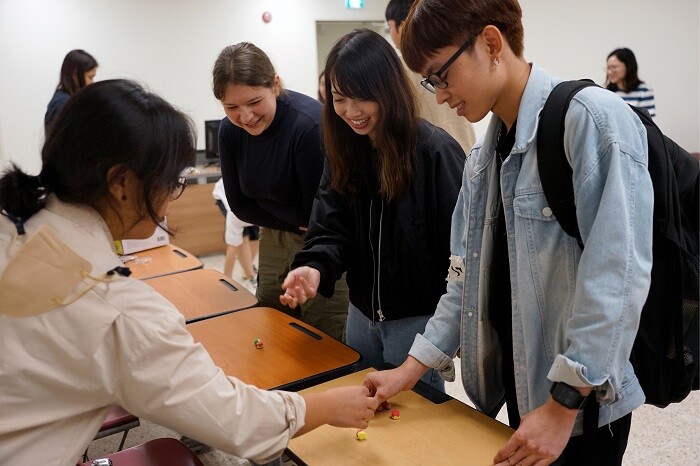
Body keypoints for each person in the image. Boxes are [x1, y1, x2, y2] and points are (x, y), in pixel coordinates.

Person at [0, 79, 378, 466]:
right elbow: (237, 420)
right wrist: (328, 404)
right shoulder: (114, 308)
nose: (171, 196)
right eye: (171, 180)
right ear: (120, 183)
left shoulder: (14, 225)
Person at [363, 1, 653, 465]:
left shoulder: (591, 119)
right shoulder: (482, 159)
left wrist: (562, 406)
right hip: (523, 391)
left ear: (491, 43)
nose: (439, 96)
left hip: (581, 404)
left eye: (441, 76)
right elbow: (463, 282)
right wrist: (408, 370)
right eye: (429, 82)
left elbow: (618, 279)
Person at [279, 28, 465, 391]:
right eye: (339, 99)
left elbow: (461, 256)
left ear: (387, 90)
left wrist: (453, 332)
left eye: (361, 98)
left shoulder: (435, 152)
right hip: (360, 317)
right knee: (363, 423)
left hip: (417, 324)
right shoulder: (344, 152)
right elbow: (330, 227)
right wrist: (314, 266)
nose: (351, 112)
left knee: (414, 430)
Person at [212, 42, 349, 341]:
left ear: (274, 84)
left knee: (323, 332)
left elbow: (313, 216)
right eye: (231, 107)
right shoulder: (230, 131)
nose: (245, 116)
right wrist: (288, 217)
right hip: (273, 236)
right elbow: (239, 205)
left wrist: (261, 202)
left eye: (253, 102)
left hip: (322, 241)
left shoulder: (309, 125)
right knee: (273, 323)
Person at [385, 0, 476, 154]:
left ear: (400, 25)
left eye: (390, 27)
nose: (440, 97)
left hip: (434, 154)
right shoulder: (444, 53)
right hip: (464, 147)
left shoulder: (398, 68)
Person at [212, 177, 260, 286]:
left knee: (255, 237)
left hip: (248, 197)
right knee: (238, 241)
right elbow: (233, 242)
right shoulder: (234, 214)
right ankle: (227, 279)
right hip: (228, 196)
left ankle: (247, 269)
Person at [44, 49, 98, 128]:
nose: (92, 82)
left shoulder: (66, 100)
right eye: (90, 77)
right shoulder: (64, 104)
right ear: (74, 74)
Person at [605, 47, 656, 117]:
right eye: (608, 68)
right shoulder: (607, 93)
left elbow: (647, 123)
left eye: (614, 67)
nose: (610, 72)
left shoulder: (644, 91)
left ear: (628, 66)